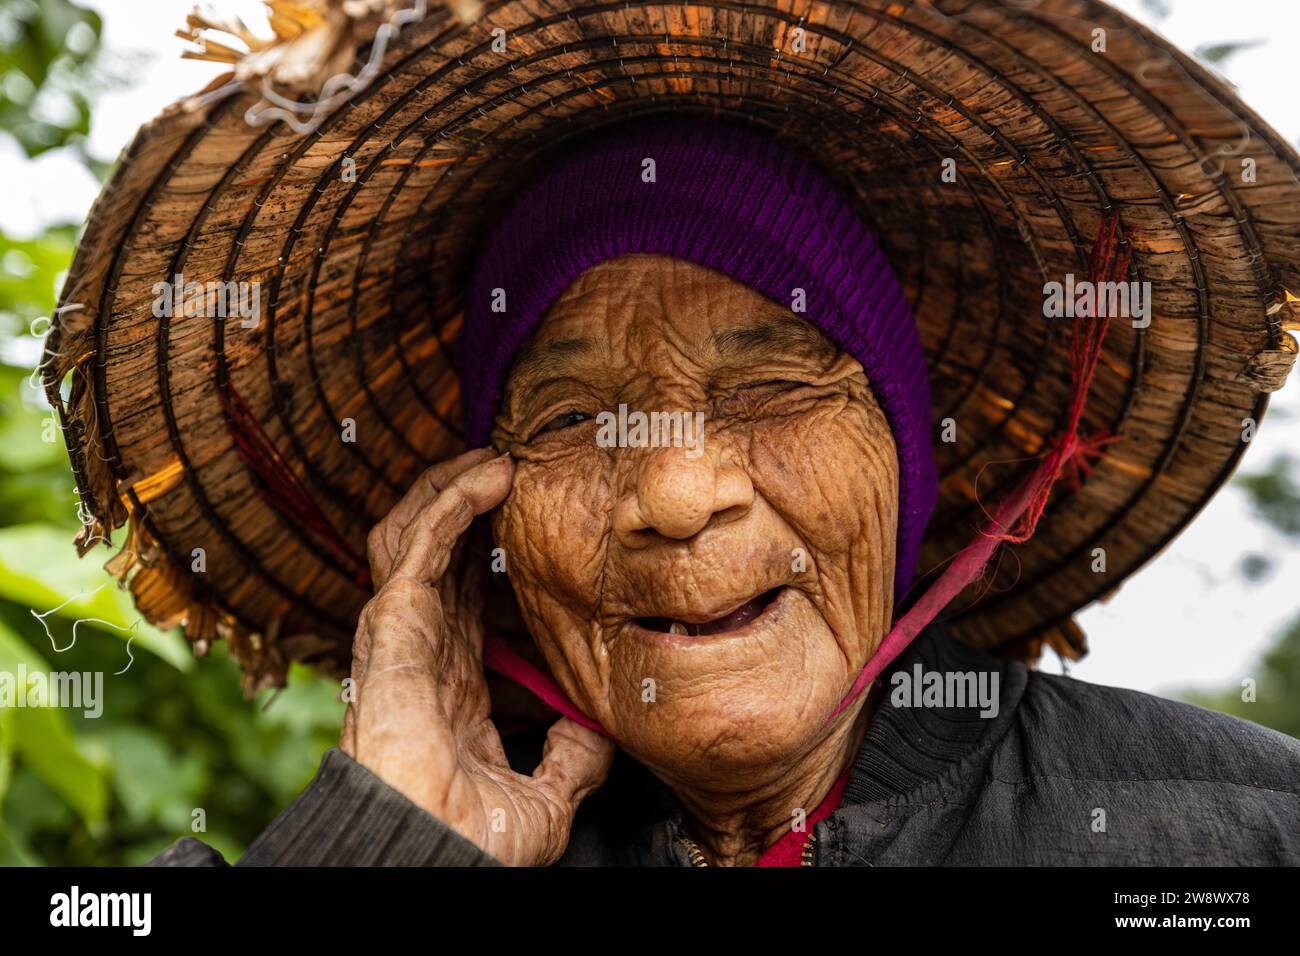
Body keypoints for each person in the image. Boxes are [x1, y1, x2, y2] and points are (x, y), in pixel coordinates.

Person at [45, 0, 1300, 867]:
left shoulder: (1231, 832)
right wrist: (391, 840)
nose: (676, 490)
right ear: (486, 528)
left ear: (906, 465)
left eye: (767, 387)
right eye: (575, 418)